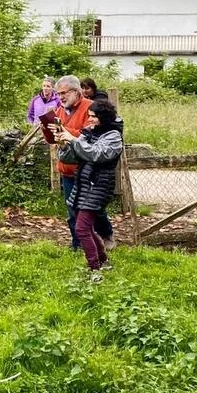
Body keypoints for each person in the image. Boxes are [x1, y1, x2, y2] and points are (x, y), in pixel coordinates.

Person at [55, 98, 124, 282]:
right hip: (83, 184)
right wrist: (64, 144)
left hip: (99, 186)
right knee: (86, 228)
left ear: (104, 117)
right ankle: (104, 261)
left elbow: (96, 154)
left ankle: (94, 269)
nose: (90, 119)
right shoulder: (88, 132)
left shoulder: (113, 137)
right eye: (90, 115)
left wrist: (73, 139)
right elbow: (72, 157)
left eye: (94, 116)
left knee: (81, 229)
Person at [50, 75, 115, 250]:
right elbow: (57, 137)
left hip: (87, 170)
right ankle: (78, 244)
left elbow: (91, 136)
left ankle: (106, 234)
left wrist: (65, 132)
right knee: (72, 210)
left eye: (64, 93)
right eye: (58, 94)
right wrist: (51, 133)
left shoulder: (90, 108)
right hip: (67, 169)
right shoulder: (60, 111)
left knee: (94, 209)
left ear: (76, 91)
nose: (61, 97)